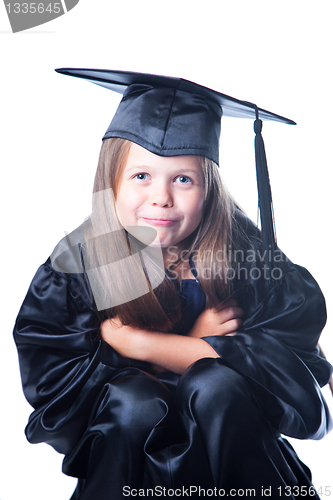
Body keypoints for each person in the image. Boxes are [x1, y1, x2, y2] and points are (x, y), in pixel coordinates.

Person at [14, 69, 332, 499]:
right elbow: (61, 395)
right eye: (141, 176)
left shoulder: (247, 260)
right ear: (110, 183)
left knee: (215, 385)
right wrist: (195, 351)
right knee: (132, 401)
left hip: (240, 464)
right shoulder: (78, 268)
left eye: (183, 179)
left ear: (209, 188)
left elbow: (292, 373)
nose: (161, 198)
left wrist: (145, 346)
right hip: (129, 466)